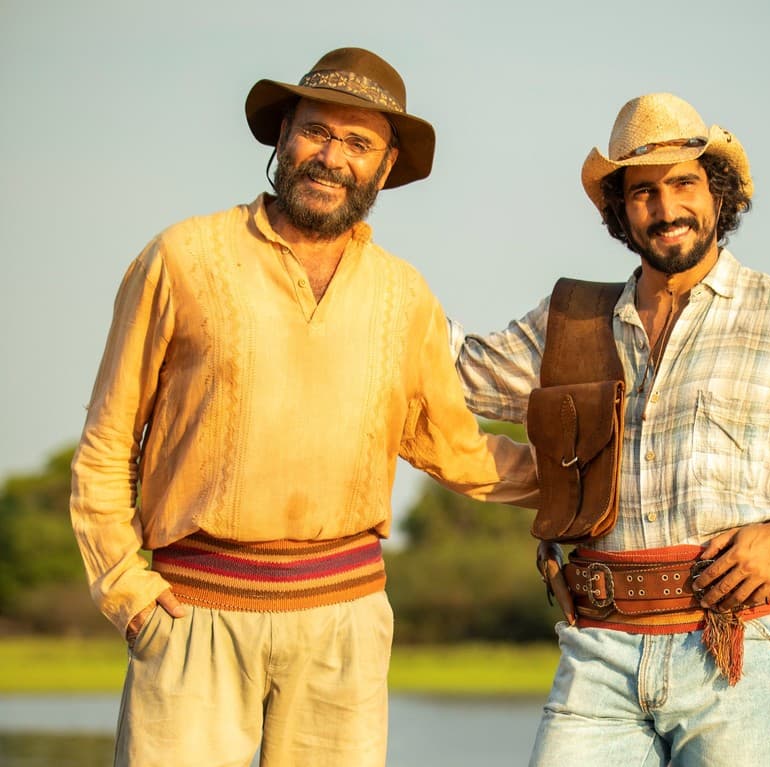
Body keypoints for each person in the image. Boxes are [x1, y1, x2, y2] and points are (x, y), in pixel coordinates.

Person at [69, 47, 537, 767]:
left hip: (344, 623)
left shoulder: (402, 294)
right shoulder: (182, 256)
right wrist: (126, 589)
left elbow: (455, 447)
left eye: (359, 143)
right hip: (193, 614)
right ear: (283, 134)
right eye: (317, 131)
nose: (332, 157)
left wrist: (590, 480)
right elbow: (106, 440)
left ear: (385, 168)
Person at [450, 92, 770, 765]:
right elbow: (453, 373)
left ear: (720, 194)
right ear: (620, 210)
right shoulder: (573, 322)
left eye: (684, 183)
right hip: (598, 647)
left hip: (730, 646)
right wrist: (377, 286)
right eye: (643, 190)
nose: (667, 206)